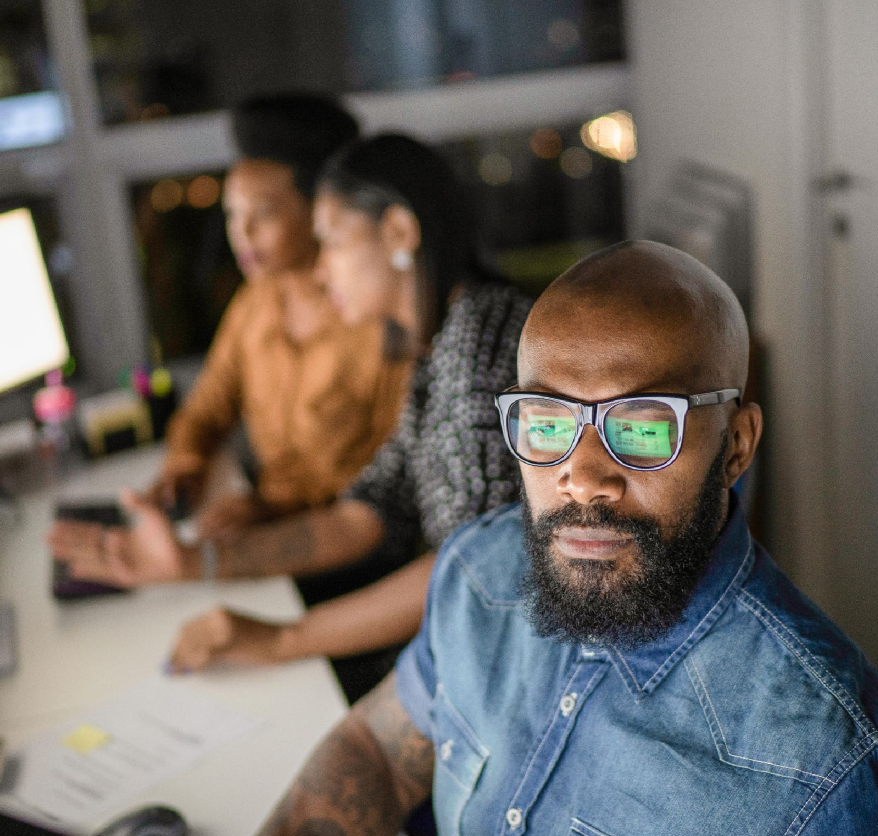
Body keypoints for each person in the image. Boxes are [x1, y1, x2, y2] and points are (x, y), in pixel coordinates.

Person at [221, 241, 878, 836]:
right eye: (547, 424)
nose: (582, 477)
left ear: (737, 445)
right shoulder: (479, 572)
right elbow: (382, 755)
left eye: (642, 427)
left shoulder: (843, 781)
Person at [48, 134, 532, 701]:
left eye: (332, 244)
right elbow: (367, 513)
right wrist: (193, 561)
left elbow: (471, 575)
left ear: (400, 233)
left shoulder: (481, 346)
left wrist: (283, 638)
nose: (320, 273)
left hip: (495, 669)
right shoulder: (434, 343)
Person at [118, 94, 411, 538]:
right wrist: (186, 465)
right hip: (262, 520)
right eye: (233, 215)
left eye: (264, 213)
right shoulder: (256, 300)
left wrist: (276, 509)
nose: (242, 233)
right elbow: (205, 409)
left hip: (339, 540)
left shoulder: (377, 318)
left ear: (321, 211)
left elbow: (390, 483)